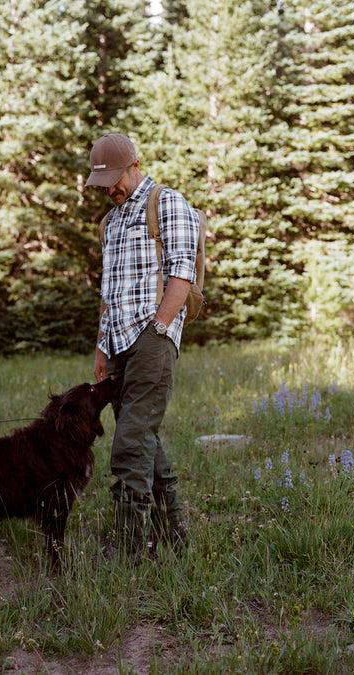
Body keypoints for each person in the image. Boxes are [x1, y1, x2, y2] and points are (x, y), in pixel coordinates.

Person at [86, 133, 199, 559]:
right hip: (116, 341)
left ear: (135, 165)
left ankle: (133, 550)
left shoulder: (166, 202)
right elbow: (108, 292)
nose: (110, 190)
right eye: (103, 183)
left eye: (115, 180)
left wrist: (160, 327)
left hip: (151, 338)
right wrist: (101, 347)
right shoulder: (110, 222)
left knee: (130, 442)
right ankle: (173, 536)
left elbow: (182, 276)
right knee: (144, 440)